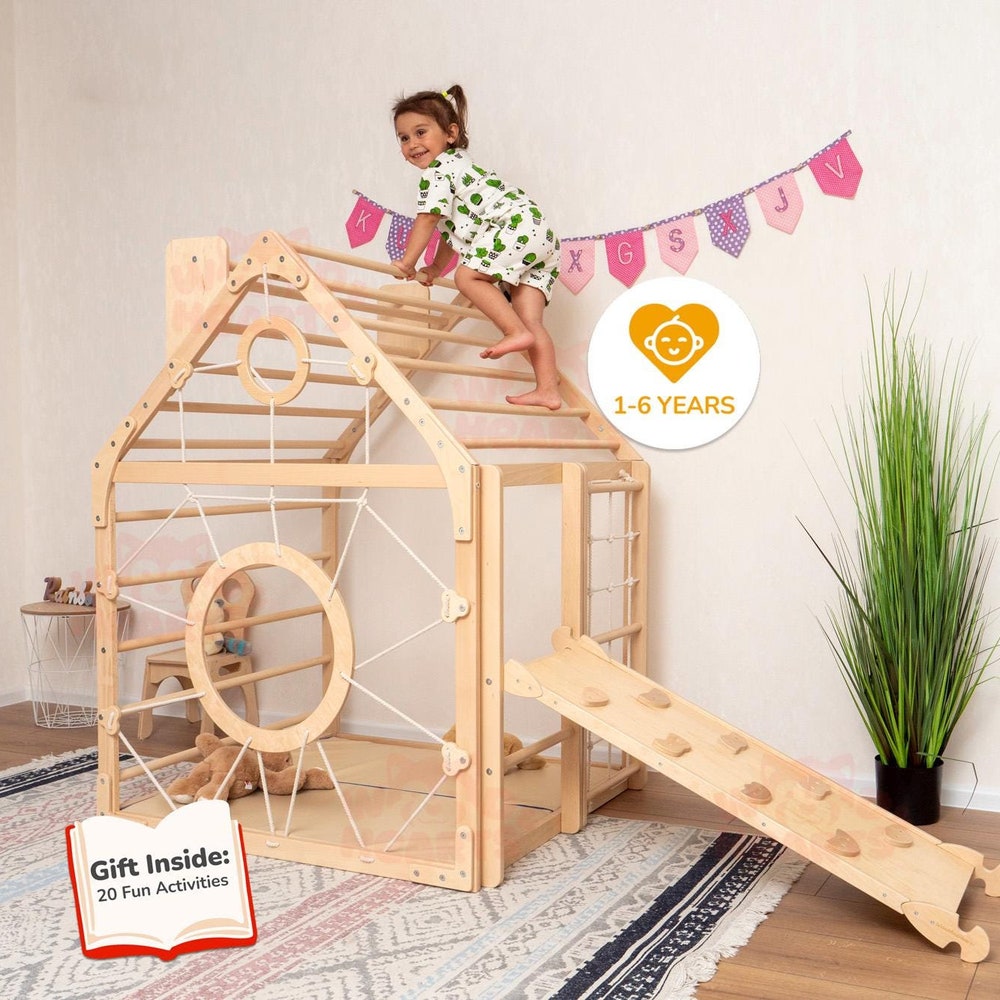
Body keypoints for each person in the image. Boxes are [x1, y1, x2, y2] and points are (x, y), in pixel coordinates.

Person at [391, 85, 562, 410]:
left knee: (466, 277)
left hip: (513, 228)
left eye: (421, 132)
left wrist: (408, 262)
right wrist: (436, 267)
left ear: (451, 133)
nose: (412, 144)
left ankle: (513, 332)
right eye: (403, 138)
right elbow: (451, 230)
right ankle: (547, 389)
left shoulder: (437, 172)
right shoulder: (460, 164)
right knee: (532, 321)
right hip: (538, 236)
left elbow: (428, 218)